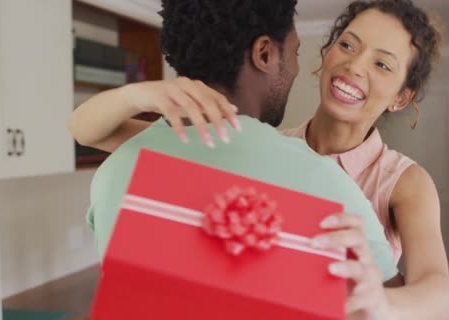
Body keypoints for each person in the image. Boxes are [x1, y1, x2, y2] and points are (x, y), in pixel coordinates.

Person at [71, 1, 401, 318]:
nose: (297, 68)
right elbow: (389, 304)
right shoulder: (324, 183)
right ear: (264, 54)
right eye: (294, 52)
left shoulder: (116, 170)